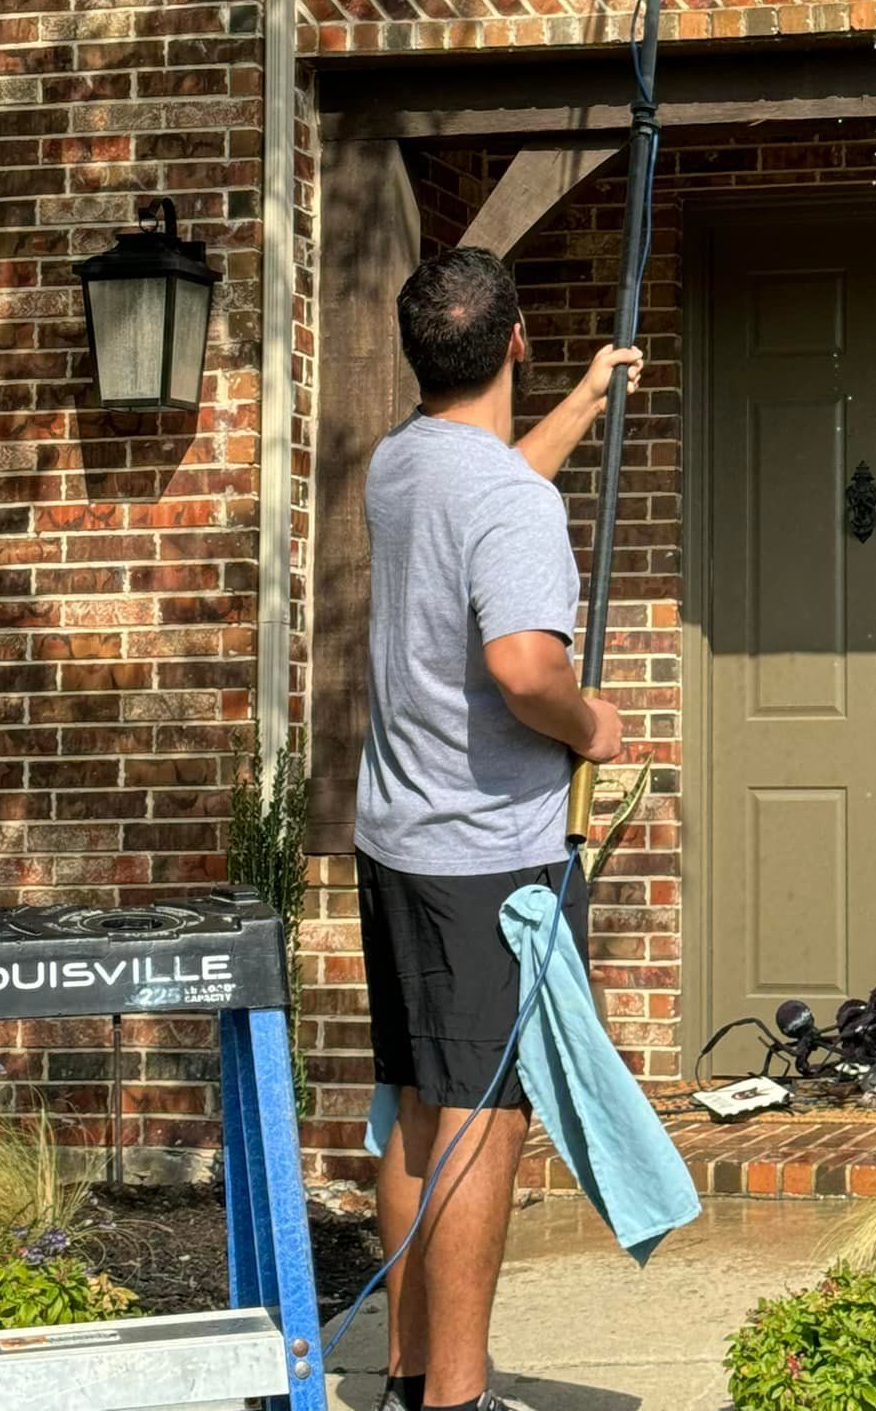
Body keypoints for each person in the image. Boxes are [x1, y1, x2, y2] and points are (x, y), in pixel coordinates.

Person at [355, 246, 641, 1411]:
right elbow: (524, 662)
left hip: (398, 843)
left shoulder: (400, 465)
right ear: (514, 338)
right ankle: (460, 1398)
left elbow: (493, 498)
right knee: (484, 1118)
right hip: (491, 859)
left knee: (417, 1105)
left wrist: (578, 399)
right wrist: (591, 721)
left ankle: (411, 1374)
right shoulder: (509, 500)